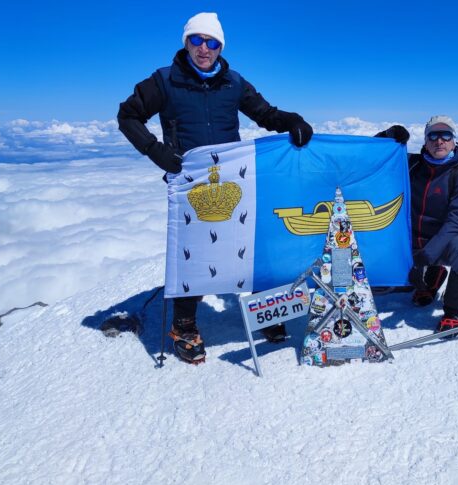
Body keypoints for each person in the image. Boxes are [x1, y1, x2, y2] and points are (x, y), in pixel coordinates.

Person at [118, 12, 313, 363]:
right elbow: (127, 115)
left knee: (252, 244)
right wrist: (155, 150)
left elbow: (266, 114)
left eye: (211, 42)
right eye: (196, 40)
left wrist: (292, 121)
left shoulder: (233, 82)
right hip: (189, 180)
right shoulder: (164, 81)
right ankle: (184, 326)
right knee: (193, 252)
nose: (203, 48)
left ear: (220, 46)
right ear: (186, 43)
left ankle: (265, 312)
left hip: (232, 178)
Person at [375, 116, 458, 336]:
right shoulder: (411, 165)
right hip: (407, 241)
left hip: (441, 243)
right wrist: (387, 137)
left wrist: (426, 256)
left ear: (454, 141)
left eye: (446, 135)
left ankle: (454, 312)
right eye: (433, 135)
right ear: (425, 140)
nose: (439, 141)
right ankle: (429, 282)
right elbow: (373, 157)